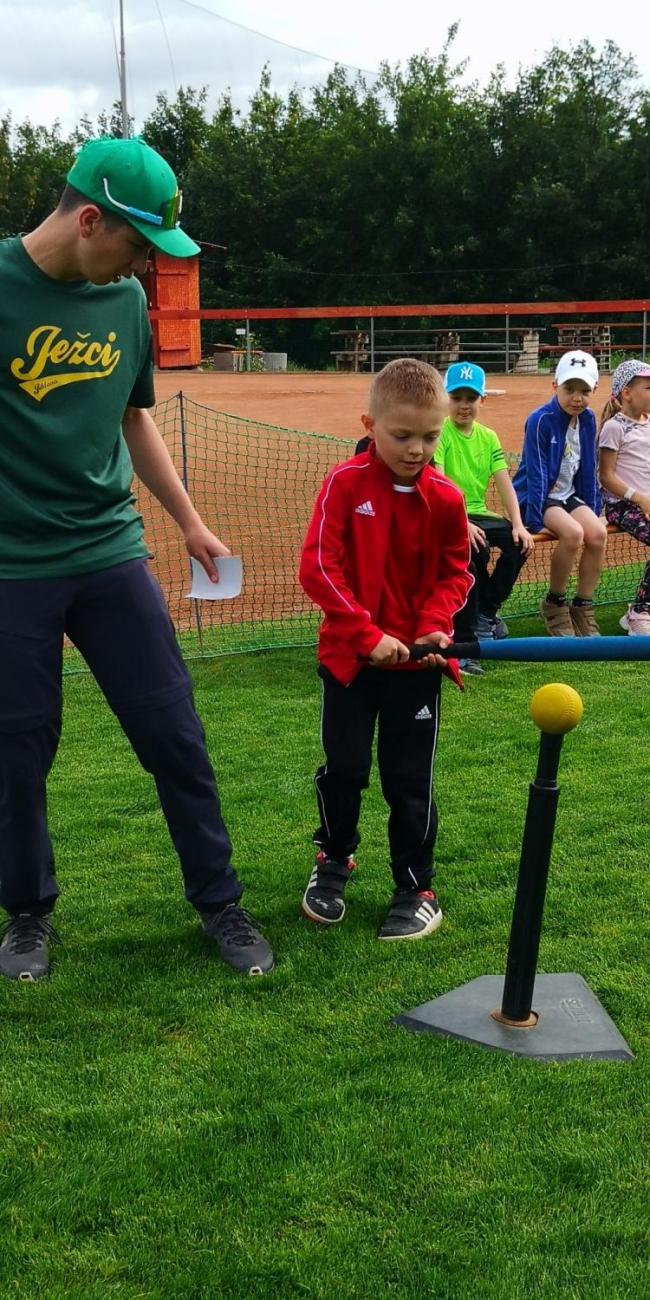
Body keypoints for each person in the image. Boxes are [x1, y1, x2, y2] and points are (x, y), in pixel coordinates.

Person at [0, 136, 274, 981]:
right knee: (15, 750)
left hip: (108, 551)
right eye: (139, 246)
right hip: (12, 569)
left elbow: (133, 417)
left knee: (173, 731)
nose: (148, 269)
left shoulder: (120, 302)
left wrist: (189, 521)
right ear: (90, 220)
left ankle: (219, 903)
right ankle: (27, 918)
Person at [298, 359, 472, 942]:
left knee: (409, 779)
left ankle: (415, 886)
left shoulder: (447, 500)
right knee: (345, 769)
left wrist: (431, 627)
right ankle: (334, 860)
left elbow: (455, 572)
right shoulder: (344, 485)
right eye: (403, 435)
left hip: (417, 667)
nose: (417, 449)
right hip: (350, 662)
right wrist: (367, 636)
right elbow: (320, 568)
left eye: (430, 436)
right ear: (370, 424)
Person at [434, 362, 534, 676]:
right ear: (446, 400)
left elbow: (504, 482)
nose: (464, 405)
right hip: (450, 515)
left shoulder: (488, 437)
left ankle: (485, 614)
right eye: (457, 397)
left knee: (519, 544)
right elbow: (437, 484)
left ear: (482, 400)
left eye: (471, 398)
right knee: (471, 561)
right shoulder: (440, 433)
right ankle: (465, 647)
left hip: (480, 514)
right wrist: (460, 523)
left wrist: (517, 523)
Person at [512, 349, 607, 637]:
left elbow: (590, 466)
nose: (576, 397)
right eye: (569, 389)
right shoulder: (540, 420)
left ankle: (583, 605)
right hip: (540, 498)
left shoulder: (589, 419)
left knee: (598, 535)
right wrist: (534, 518)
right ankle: (554, 603)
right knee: (573, 534)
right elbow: (538, 472)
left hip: (569, 496)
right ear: (555, 386)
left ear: (594, 391)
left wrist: (593, 509)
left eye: (584, 391)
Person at [597, 359, 650, 635]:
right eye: (649, 387)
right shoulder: (614, 428)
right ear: (627, 393)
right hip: (623, 506)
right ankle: (639, 612)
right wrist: (639, 498)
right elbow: (606, 476)